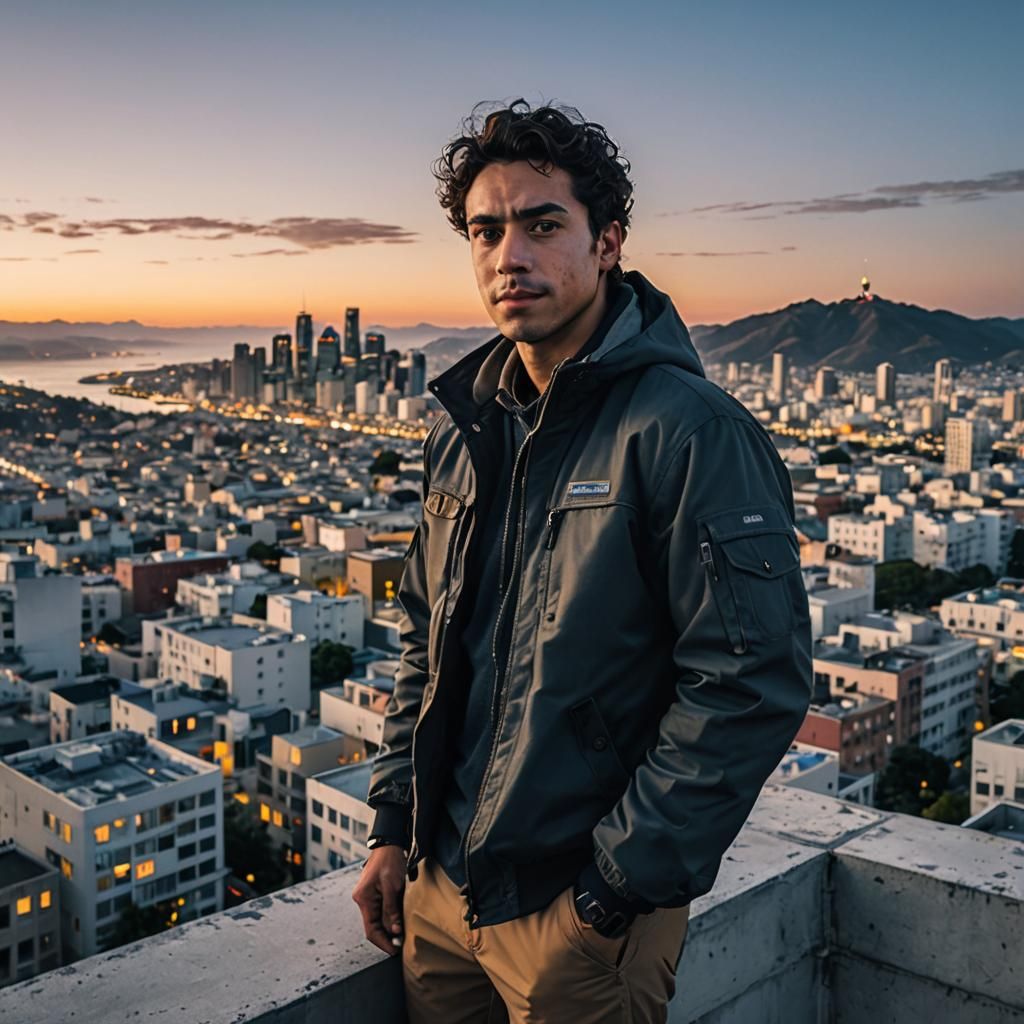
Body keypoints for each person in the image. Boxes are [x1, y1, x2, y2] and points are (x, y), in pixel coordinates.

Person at [352, 98, 813, 1023]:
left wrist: (609, 896)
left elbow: (748, 682)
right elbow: (426, 642)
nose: (508, 256)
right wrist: (393, 827)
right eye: (485, 232)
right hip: (440, 899)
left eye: (541, 224)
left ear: (607, 242)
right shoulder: (467, 433)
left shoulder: (690, 433)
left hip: (580, 917)